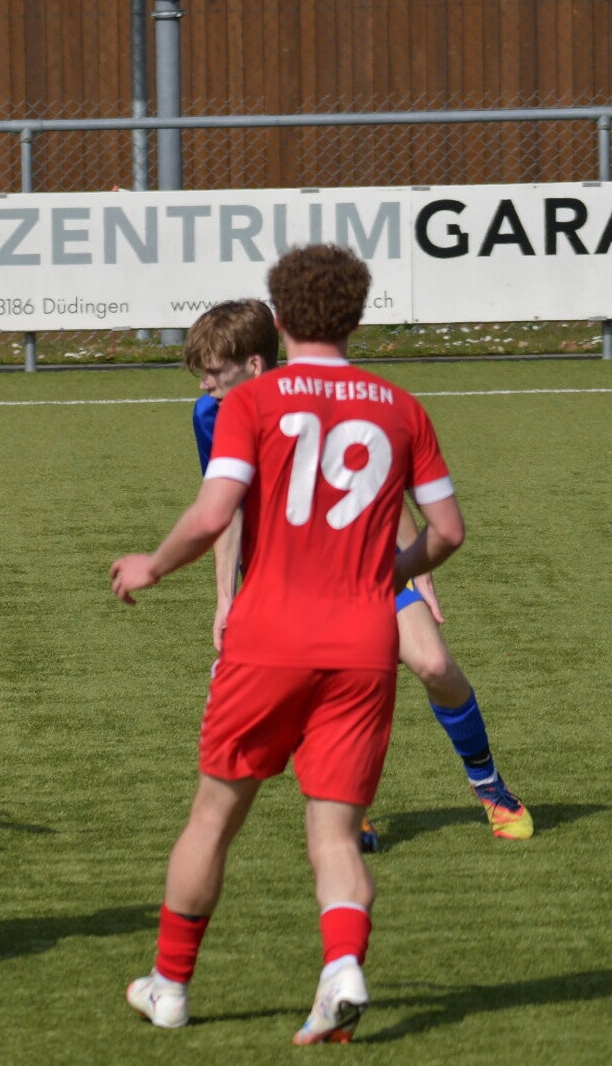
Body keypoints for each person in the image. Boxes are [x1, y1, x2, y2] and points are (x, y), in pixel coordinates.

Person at [113, 245, 466, 1042]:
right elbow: (447, 531)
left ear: (278, 320)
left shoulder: (252, 401)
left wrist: (152, 565)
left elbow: (215, 515)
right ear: (356, 318)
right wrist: (389, 572)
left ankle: (169, 986)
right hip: (362, 643)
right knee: (335, 833)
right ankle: (341, 966)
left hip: (268, 637)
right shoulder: (401, 407)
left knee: (213, 818)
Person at [185, 300, 531, 846]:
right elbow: (226, 510)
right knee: (312, 687)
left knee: (435, 664)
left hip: (364, 567)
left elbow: (379, 484)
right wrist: (226, 599)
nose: (204, 386)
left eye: (212, 372)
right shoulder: (212, 416)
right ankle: (347, 808)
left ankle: (488, 784)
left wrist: (419, 569)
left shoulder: (330, 395)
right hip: (286, 584)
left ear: (253, 364)